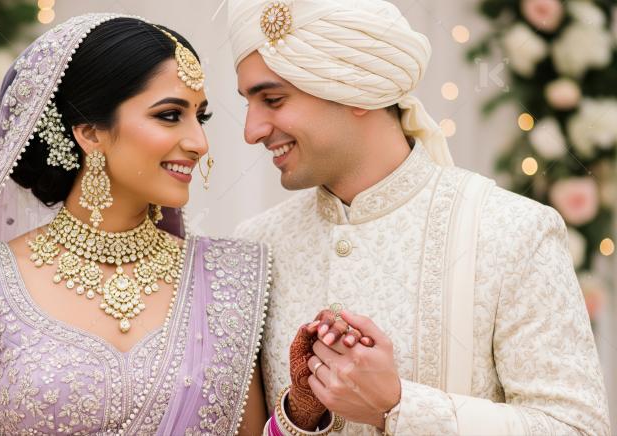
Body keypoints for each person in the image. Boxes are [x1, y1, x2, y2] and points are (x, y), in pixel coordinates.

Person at [228, 0, 611, 434]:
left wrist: (398, 406)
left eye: (273, 100)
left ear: (357, 87)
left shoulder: (511, 231)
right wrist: (300, 413)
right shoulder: (257, 246)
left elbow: (578, 428)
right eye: (247, 103)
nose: (252, 130)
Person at [0, 14, 285, 435]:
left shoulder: (231, 279)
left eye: (200, 117)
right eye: (170, 115)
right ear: (89, 133)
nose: (198, 143)